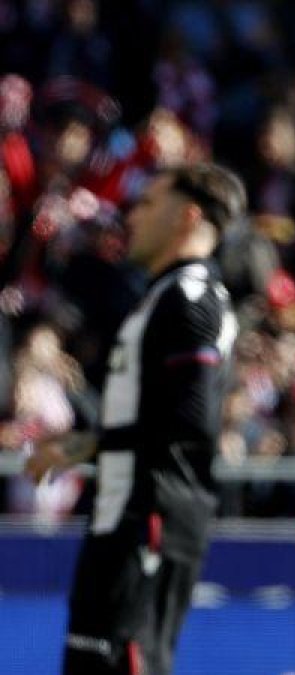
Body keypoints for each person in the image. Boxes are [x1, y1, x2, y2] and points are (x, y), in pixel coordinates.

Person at [24, 162, 243, 675]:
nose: (133, 214)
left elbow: (192, 423)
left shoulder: (192, 299)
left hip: (152, 518)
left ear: (187, 217)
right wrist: (91, 445)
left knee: (129, 664)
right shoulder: (161, 296)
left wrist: (93, 445)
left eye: (148, 202)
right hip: (120, 515)